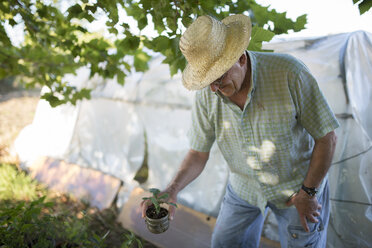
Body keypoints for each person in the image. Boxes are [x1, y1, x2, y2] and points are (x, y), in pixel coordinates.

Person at [141, 14, 339, 248]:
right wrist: (172, 189)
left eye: (219, 77)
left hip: (299, 188)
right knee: (225, 244)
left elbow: (326, 137)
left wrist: (309, 192)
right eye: (208, 81)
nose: (214, 88)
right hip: (243, 189)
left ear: (242, 58)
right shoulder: (209, 93)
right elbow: (197, 153)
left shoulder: (289, 73)